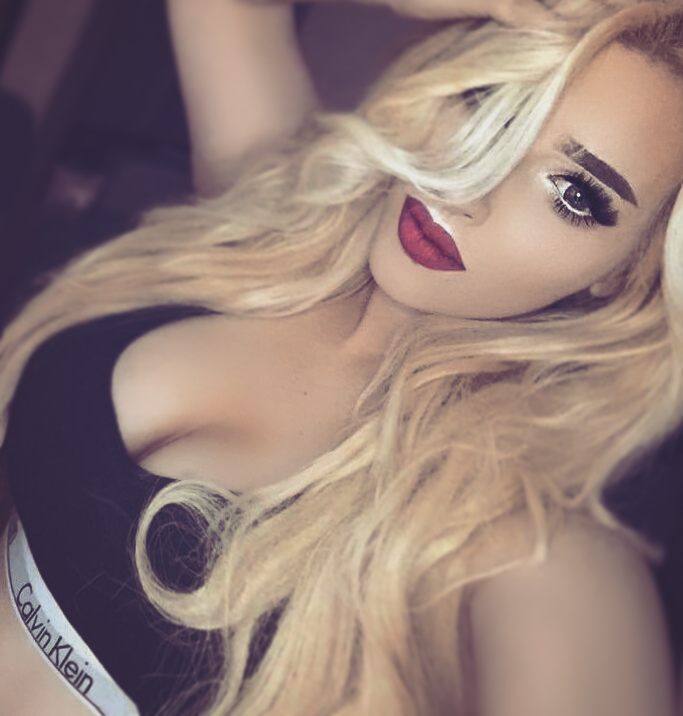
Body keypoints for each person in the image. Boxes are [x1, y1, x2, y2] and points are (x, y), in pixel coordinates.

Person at [0, 0, 681, 714]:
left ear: (627, 269)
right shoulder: (273, 211)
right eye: (486, 100)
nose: (468, 187)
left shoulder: (517, 544)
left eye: (573, 193)